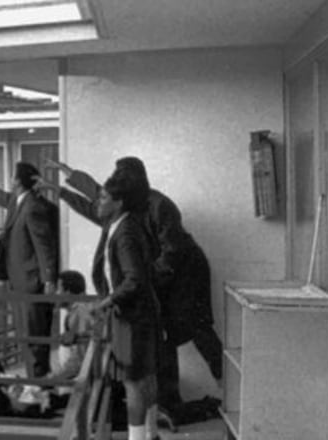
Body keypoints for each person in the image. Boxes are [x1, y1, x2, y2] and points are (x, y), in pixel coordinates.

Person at [40, 157, 223, 417]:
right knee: (162, 338)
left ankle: (225, 384)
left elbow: (172, 252)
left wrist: (144, 280)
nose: (106, 196)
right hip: (153, 276)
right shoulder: (126, 203)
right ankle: (167, 403)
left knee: (198, 330)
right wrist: (66, 181)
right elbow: (100, 198)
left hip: (185, 276)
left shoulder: (160, 206)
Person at [0, 162, 59, 378]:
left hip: (31, 282)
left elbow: (44, 245)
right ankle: (36, 384)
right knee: (27, 337)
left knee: (34, 337)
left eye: (12, 176)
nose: (10, 179)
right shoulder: (20, 203)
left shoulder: (33, 207)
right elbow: (4, 214)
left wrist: (48, 279)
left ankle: (39, 387)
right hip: (20, 280)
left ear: (17, 181)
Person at [88, 173, 161, 440]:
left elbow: (134, 280)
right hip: (139, 314)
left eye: (104, 197)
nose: (98, 201)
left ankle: (138, 437)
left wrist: (107, 301)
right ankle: (151, 434)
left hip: (132, 317)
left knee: (134, 381)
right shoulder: (122, 224)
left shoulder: (126, 232)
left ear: (118, 202)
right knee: (146, 377)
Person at [46, 270, 106, 382]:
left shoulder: (80, 312)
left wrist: (50, 380)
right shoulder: (88, 304)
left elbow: (80, 359)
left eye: (59, 289)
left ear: (68, 292)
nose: (56, 294)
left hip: (95, 379)